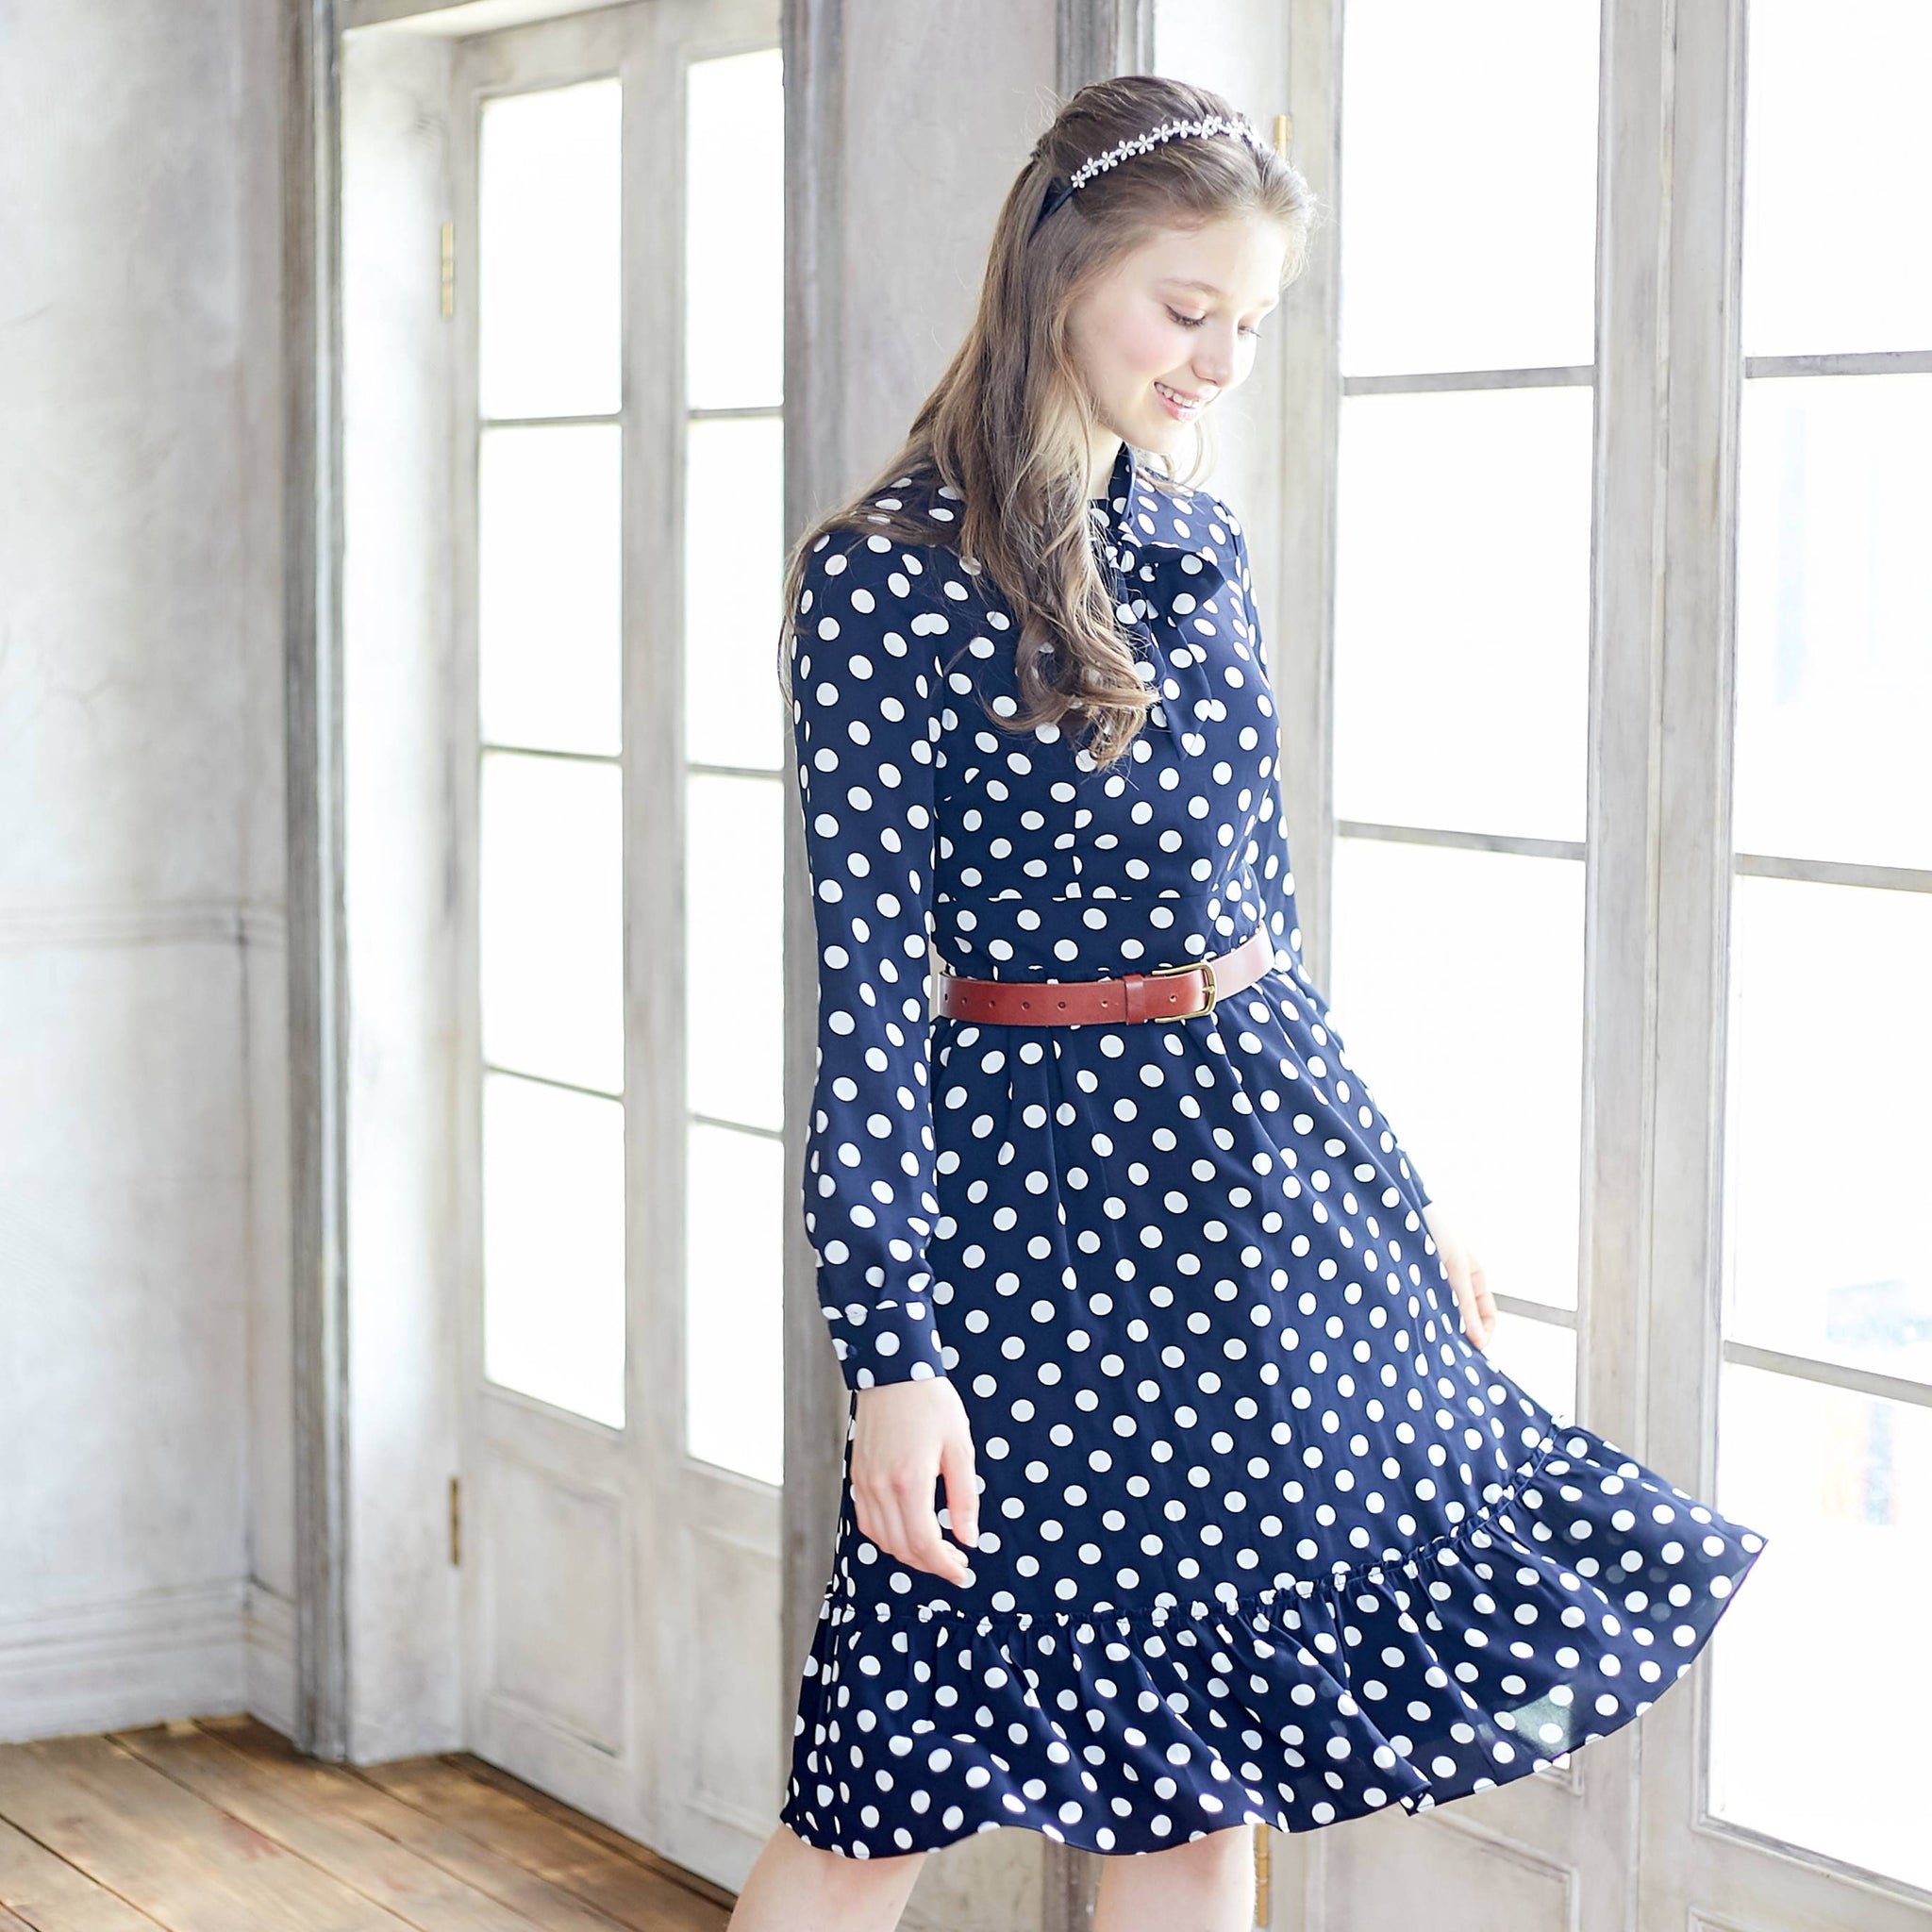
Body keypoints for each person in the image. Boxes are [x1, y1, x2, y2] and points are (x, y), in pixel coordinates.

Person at [727, 73, 1768, 1932]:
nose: (1217, 361)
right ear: (1061, 276)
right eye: (1184, 311)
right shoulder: (880, 586)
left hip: (1250, 1216)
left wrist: (1394, 1184)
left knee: (1200, 1805)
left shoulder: (1193, 552)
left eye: (1251, 325)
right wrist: (890, 1353)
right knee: (871, 1791)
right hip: (1029, 1234)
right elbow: (870, 1003)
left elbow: (1255, 930)